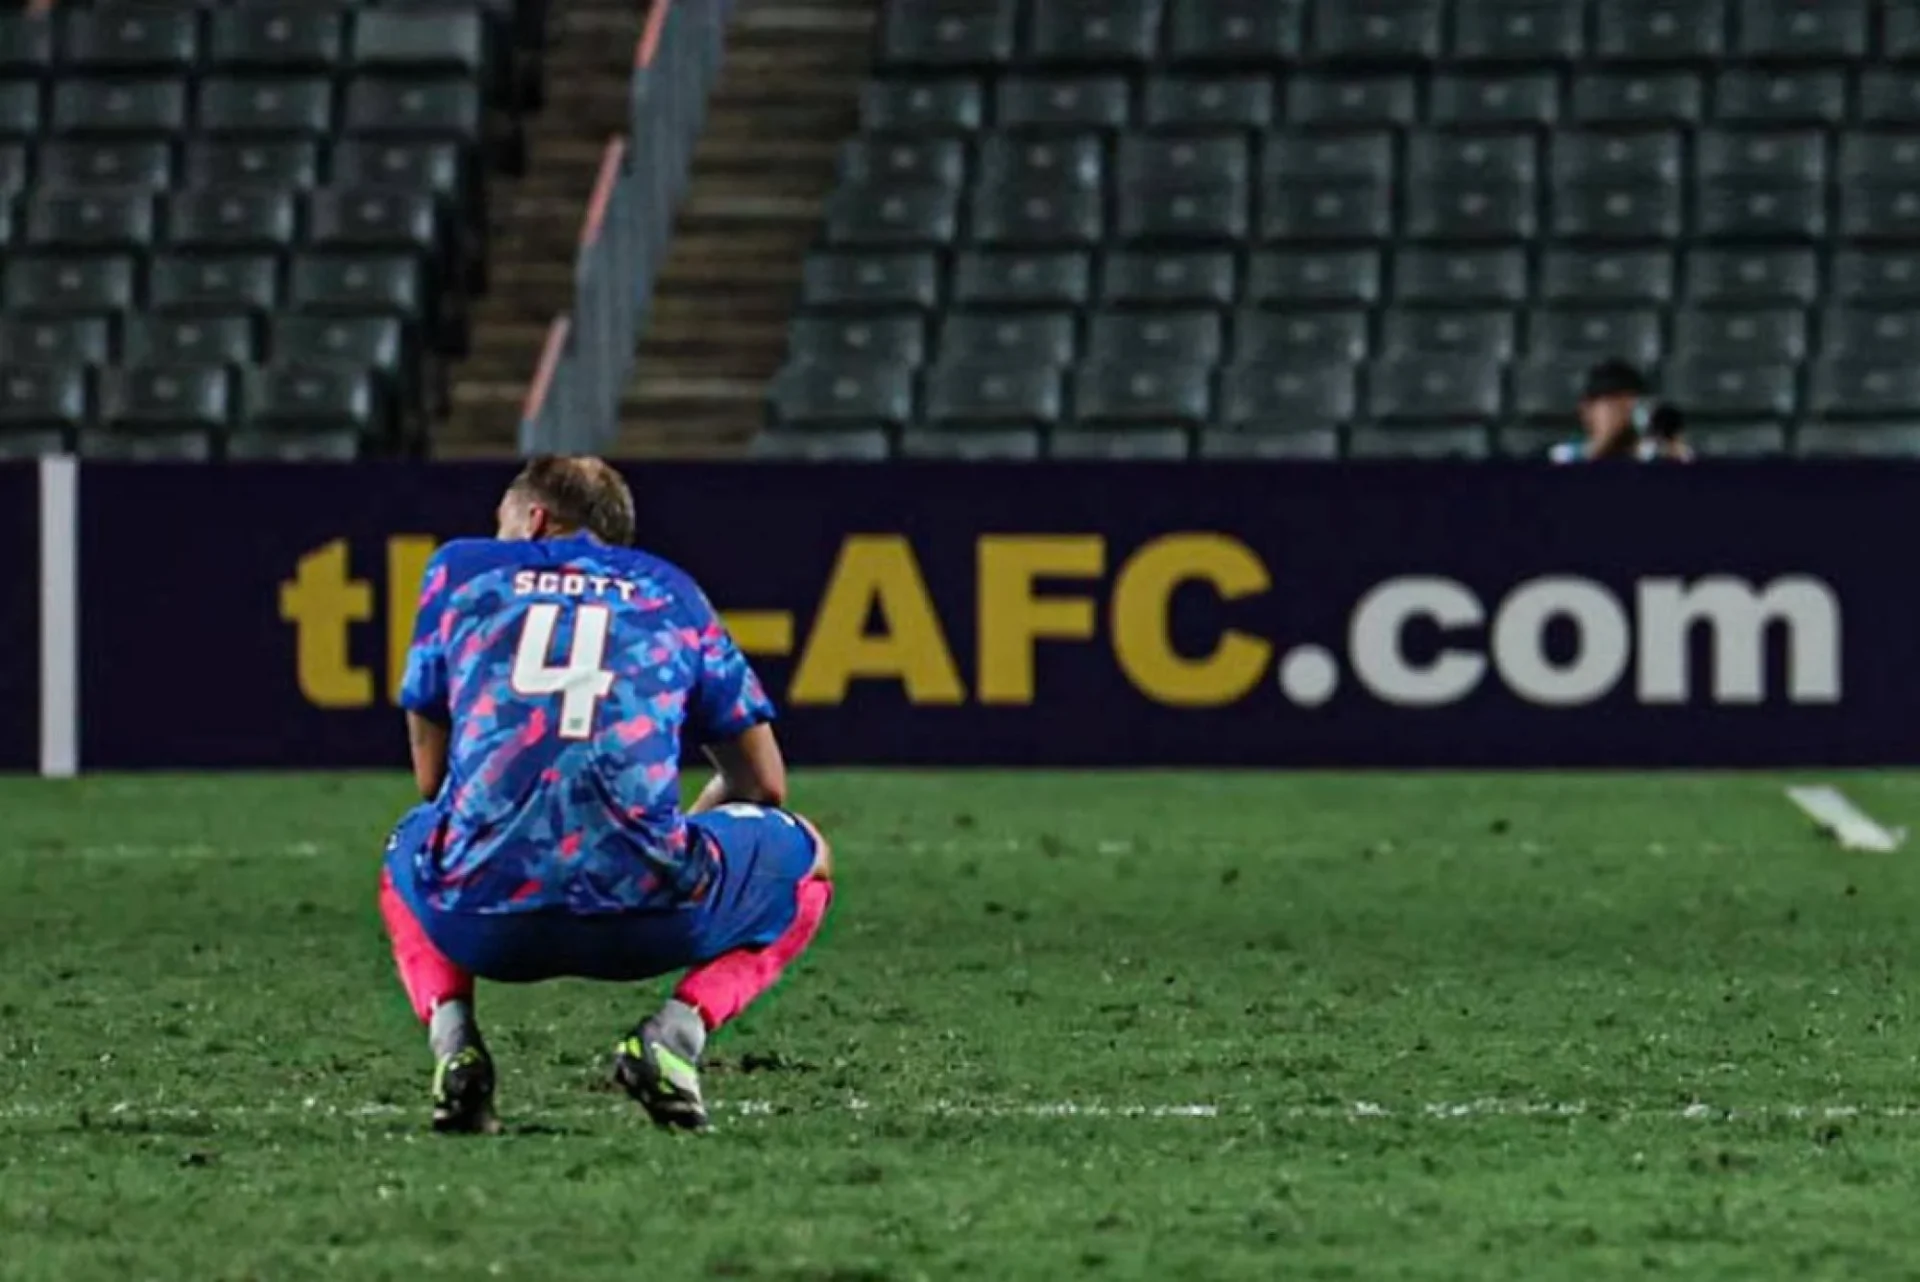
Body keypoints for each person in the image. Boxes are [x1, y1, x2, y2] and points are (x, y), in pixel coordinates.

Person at [378, 456, 834, 1134]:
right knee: (810, 855)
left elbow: (432, 777)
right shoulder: (670, 591)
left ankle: (455, 1045)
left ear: (534, 519)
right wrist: (669, 836)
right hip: (647, 921)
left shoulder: (460, 570)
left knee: (410, 837)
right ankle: (675, 1038)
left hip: (482, 919)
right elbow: (764, 784)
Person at [1550, 358, 1694, 463]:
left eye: (1630, 405)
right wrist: (1603, 446)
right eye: (1612, 405)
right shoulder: (1561, 458)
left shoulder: (1659, 457)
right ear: (1586, 410)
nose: (1623, 414)